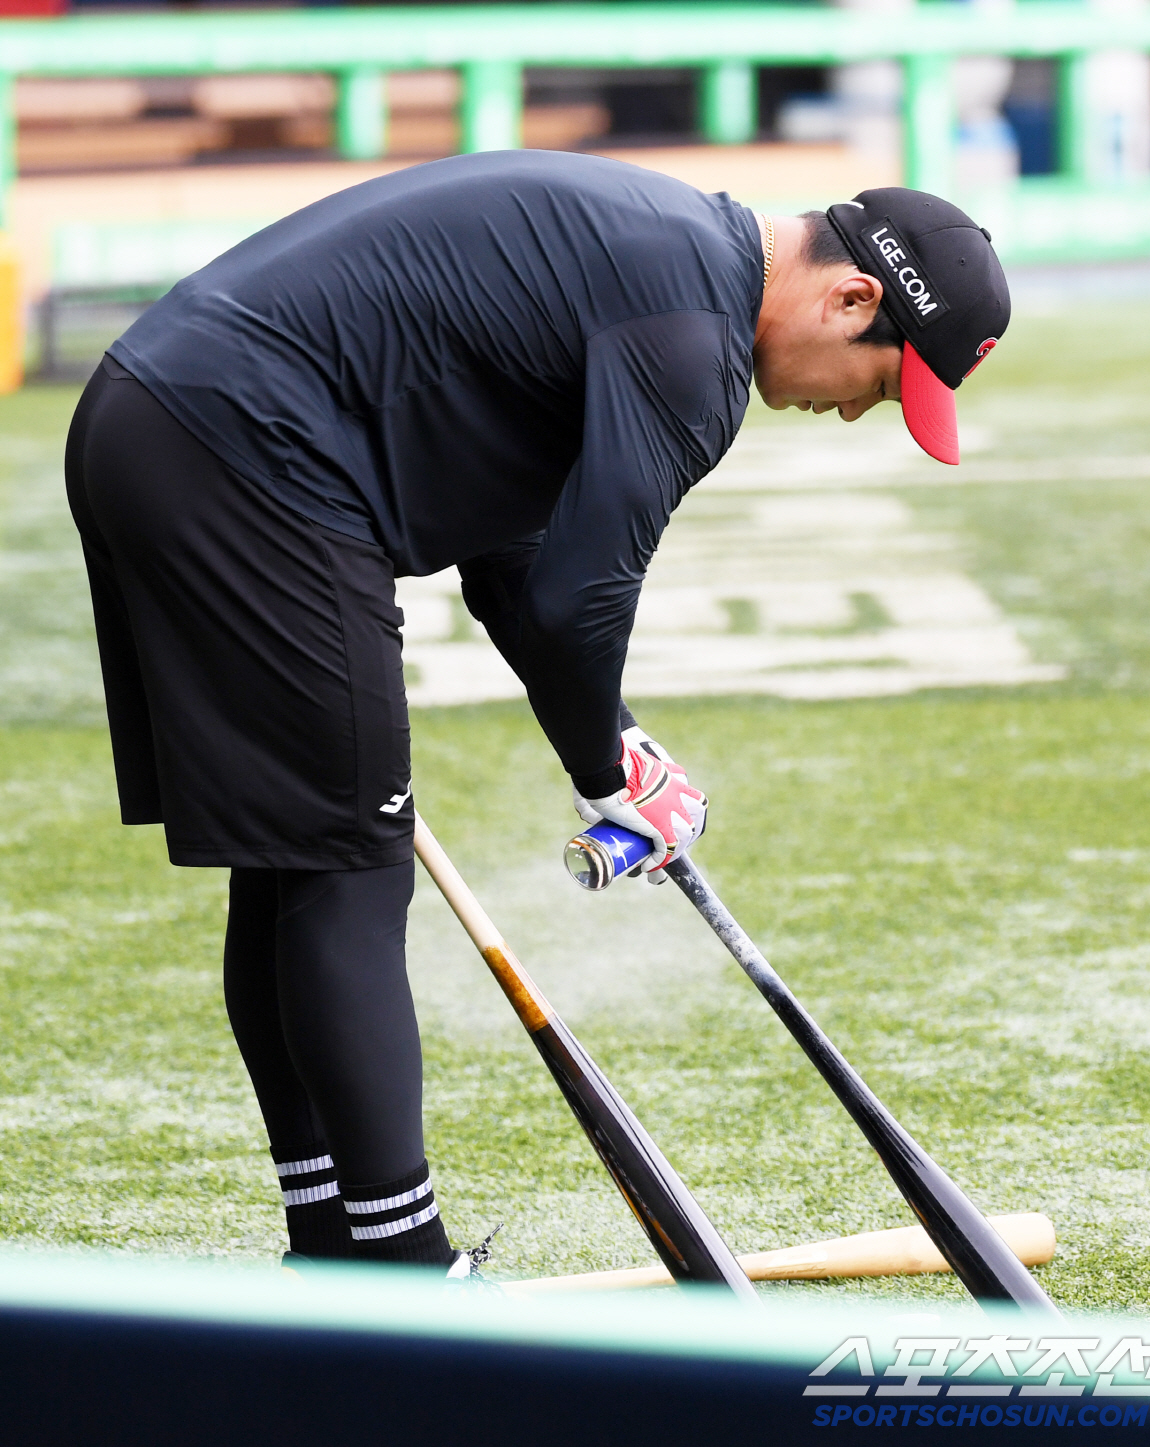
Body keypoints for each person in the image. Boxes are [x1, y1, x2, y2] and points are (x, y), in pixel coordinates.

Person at [64, 152, 1009, 1272]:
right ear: (850, 299)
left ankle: (336, 1242)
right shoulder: (691, 340)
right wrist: (605, 775)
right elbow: (573, 600)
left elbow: (516, 562)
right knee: (347, 864)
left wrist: (615, 740)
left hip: (160, 427)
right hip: (244, 458)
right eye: (885, 381)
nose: (856, 413)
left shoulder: (666, 258)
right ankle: (395, 1262)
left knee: (297, 862)